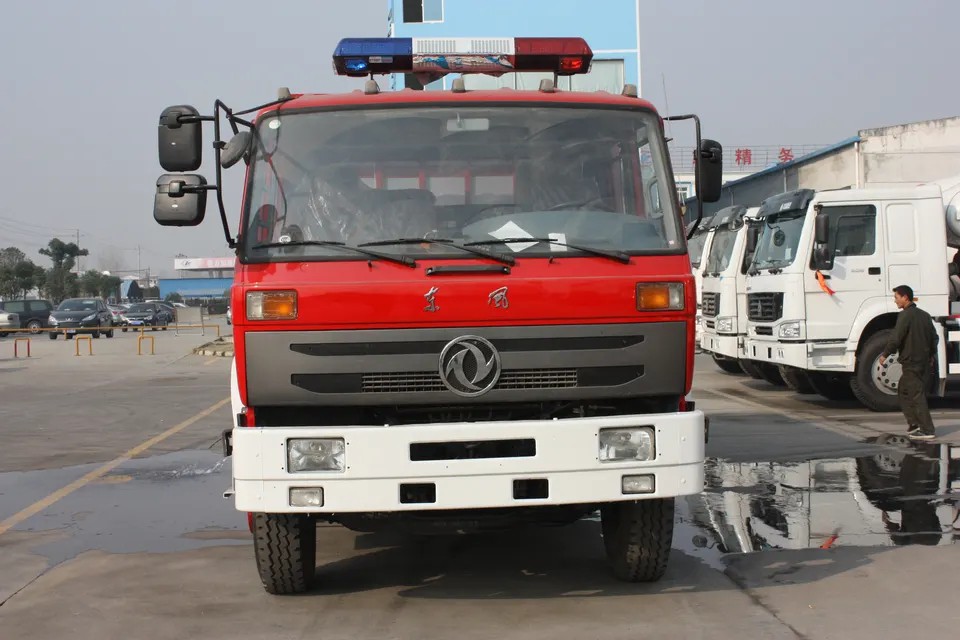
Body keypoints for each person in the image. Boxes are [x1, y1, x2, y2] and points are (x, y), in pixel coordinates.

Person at [880, 285, 938, 439]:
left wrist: (885, 354)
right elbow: (934, 338)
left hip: (911, 362)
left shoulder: (904, 316)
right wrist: (931, 354)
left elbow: (896, 337)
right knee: (904, 390)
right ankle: (913, 423)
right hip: (922, 361)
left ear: (905, 297)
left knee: (915, 394)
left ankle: (927, 429)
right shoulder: (925, 315)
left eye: (896, 298)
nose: (895, 301)